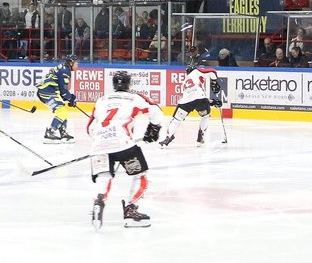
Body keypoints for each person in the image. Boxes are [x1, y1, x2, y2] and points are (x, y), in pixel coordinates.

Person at [87, 71, 163, 230]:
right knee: (141, 176)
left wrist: (102, 140)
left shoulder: (101, 100)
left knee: (104, 176)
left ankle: (99, 202)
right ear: (129, 84)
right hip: (124, 145)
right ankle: (130, 211)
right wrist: (154, 128)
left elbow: (90, 128)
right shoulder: (134, 97)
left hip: (99, 144)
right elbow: (155, 111)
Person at [159, 54, 222, 147]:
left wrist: (212, 102)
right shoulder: (196, 71)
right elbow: (212, 71)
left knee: (176, 120)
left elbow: (192, 96)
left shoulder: (185, 82)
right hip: (200, 100)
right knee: (205, 116)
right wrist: (214, 82)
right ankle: (201, 135)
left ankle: (168, 137)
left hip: (185, 102)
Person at [37, 54, 79, 143]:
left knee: (62, 110)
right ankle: (50, 133)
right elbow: (63, 91)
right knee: (62, 112)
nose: (77, 65)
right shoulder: (65, 71)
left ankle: (63, 132)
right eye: (76, 63)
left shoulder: (63, 68)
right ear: (71, 63)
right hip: (47, 92)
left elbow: (61, 90)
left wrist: (69, 98)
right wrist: (71, 98)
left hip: (48, 91)